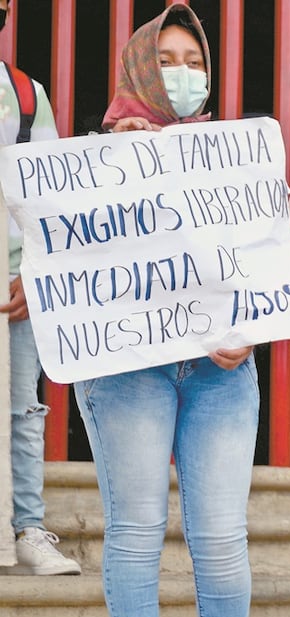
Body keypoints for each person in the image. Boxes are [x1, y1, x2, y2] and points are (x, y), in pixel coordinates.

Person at [75, 6, 259, 617]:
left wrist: (253, 330)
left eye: (195, 62)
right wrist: (111, 161)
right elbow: (69, 265)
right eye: (165, 61)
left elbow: (263, 259)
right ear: (137, 70)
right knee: (135, 533)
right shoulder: (88, 161)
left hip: (221, 373)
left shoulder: (233, 157)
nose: (183, 74)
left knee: (223, 540)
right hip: (128, 371)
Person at [0, 0, 81, 577]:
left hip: (13, 280)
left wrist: (33, 272)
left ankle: (28, 529)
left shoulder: (26, 95)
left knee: (24, 412)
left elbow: (47, 196)